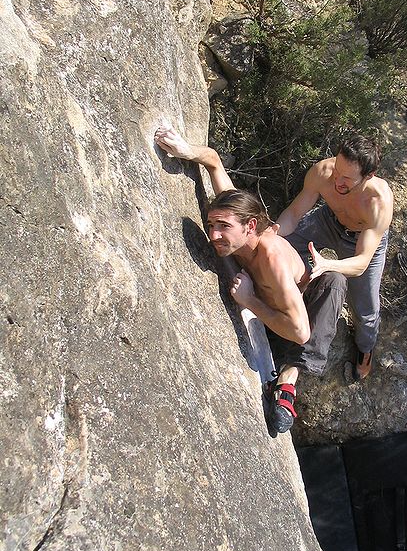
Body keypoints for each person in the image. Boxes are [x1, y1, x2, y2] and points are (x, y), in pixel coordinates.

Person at [154, 125, 346, 433]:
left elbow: (300, 332)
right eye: (210, 224)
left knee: (335, 280)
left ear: (249, 226)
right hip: (273, 316)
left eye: (223, 227)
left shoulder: (270, 257)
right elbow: (214, 161)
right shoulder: (236, 219)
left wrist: (250, 300)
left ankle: (287, 383)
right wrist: (187, 151)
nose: (214, 234)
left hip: (292, 322)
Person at [274, 132, 393, 390]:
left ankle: (365, 351)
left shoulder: (378, 202)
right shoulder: (323, 172)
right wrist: (273, 231)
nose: (337, 179)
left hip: (360, 240)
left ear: (368, 176)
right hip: (329, 220)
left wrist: (328, 265)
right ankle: (287, 292)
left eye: (347, 178)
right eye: (337, 170)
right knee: (283, 242)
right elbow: (294, 214)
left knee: (365, 309)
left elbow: (361, 262)